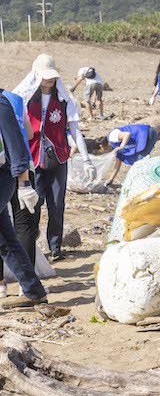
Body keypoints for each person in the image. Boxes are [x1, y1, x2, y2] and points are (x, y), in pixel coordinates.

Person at [13, 55, 95, 262]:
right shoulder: (24, 99)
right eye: (46, 77)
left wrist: (86, 159)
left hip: (58, 158)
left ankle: (55, 247)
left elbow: (75, 131)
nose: (50, 81)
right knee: (34, 204)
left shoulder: (64, 100)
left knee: (57, 204)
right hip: (33, 160)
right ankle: (32, 248)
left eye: (52, 77)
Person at [0, 88, 48, 306]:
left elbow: (16, 143)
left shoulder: (1, 103)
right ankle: (34, 291)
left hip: (1, 176)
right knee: (6, 240)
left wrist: (24, 184)